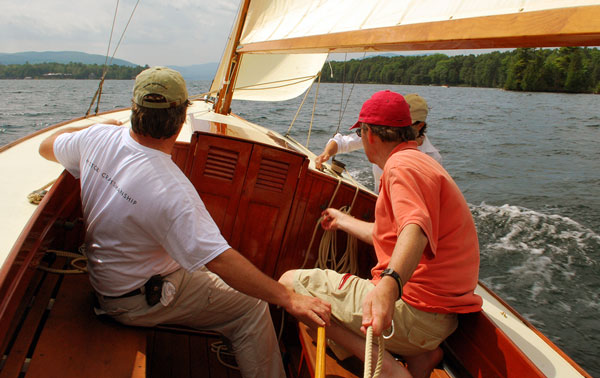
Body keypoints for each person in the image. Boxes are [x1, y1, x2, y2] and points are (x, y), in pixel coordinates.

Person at [39, 66, 331, 378]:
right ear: (180, 121)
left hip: (108, 280)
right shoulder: (170, 190)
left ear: (135, 110)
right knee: (252, 306)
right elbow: (220, 261)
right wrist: (288, 297)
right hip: (133, 302)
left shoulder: (97, 138)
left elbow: (45, 148)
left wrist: (100, 127)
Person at [280, 90, 481, 378]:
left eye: (361, 134)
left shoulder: (399, 167)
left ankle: (392, 371)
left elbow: (416, 226)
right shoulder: (422, 162)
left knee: (288, 285)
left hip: (412, 314)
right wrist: (343, 221)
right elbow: (394, 234)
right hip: (440, 320)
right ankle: (421, 355)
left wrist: (388, 288)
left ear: (369, 134)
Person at [315, 94, 441, 192]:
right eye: (396, 122)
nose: (398, 128)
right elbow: (341, 142)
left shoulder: (433, 158)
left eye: (405, 124)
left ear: (420, 126)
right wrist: (326, 154)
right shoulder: (384, 136)